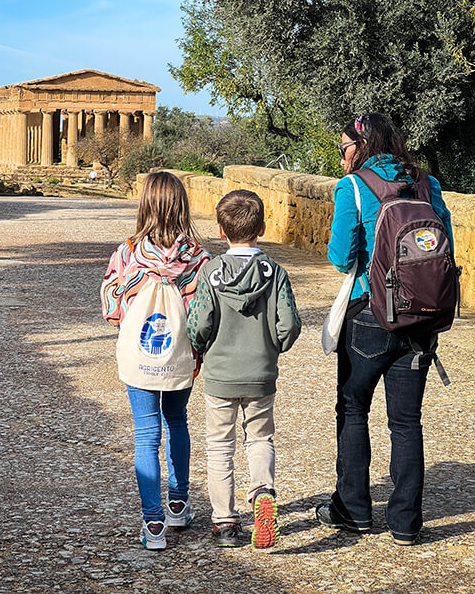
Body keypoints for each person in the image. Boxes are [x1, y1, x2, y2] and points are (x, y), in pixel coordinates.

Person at [317, 113, 453, 546]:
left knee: (354, 410)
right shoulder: (427, 184)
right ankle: (406, 523)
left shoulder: (353, 186)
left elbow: (341, 258)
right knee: (406, 421)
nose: (342, 157)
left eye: (343, 148)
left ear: (359, 145)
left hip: (369, 315)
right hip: (421, 318)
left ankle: (354, 511)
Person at [186, 189, 302, 548]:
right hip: (261, 374)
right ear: (263, 227)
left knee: (220, 445)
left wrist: (200, 348)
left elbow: (200, 322)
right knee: (260, 437)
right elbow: (290, 324)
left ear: (221, 231)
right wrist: (274, 347)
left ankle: (224, 522)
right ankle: (263, 493)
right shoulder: (276, 273)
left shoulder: (211, 273)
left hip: (220, 375)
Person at [101, 171, 210, 550]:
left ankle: (153, 525)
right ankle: (178, 503)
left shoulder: (128, 252)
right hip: (181, 354)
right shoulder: (197, 256)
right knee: (177, 421)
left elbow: (112, 306)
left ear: (145, 205)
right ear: (182, 206)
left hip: (139, 354)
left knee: (146, 435)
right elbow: (205, 313)